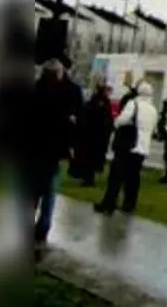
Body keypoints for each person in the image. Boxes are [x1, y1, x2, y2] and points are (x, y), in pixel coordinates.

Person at [25, 59, 83, 246]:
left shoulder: (34, 90)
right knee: (49, 193)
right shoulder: (63, 95)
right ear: (58, 74)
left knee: (32, 191)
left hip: (33, 150)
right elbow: (68, 124)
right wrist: (70, 147)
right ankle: (43, 228)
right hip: (53, 152)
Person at [96, 81, 157, 215]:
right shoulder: (153, 109)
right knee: (133, 178)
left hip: (128, 146)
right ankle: (129, 204)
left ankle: (109, 203)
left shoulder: (133, 104)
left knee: (116, 176)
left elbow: (121, 120)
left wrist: (117, 123)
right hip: (142, 148)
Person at [70, 83, 114, 187]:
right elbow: (107, 121)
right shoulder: (105, 104)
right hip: (98, 137)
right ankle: (89, 179)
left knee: (88, 158)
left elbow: (84, 118)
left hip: (89, 136)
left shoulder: (92, 103)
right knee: (93, 159)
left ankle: (87, 179)